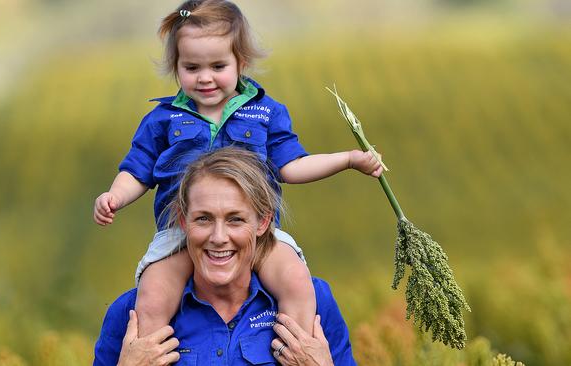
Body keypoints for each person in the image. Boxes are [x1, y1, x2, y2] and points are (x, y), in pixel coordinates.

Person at [92, 0, 383, 340]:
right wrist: (115, 196)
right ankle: (147, 355)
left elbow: (291, 165)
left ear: (240, 62)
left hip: (256, 235)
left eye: (218, 66)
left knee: (296, 280)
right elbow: (137, 170)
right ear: (176, 66)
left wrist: (347, 159)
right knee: (153, 295)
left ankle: (299, 350)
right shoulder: (162, 119)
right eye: (191, 67)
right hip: (179, 234)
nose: (205, 78)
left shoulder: (265, 112)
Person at [93, 147, 357, 365]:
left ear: (263, 222)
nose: (218, 237)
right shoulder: (132, 313)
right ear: (184, 223)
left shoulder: (314, 302)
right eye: (203, 219)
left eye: (235, 219)